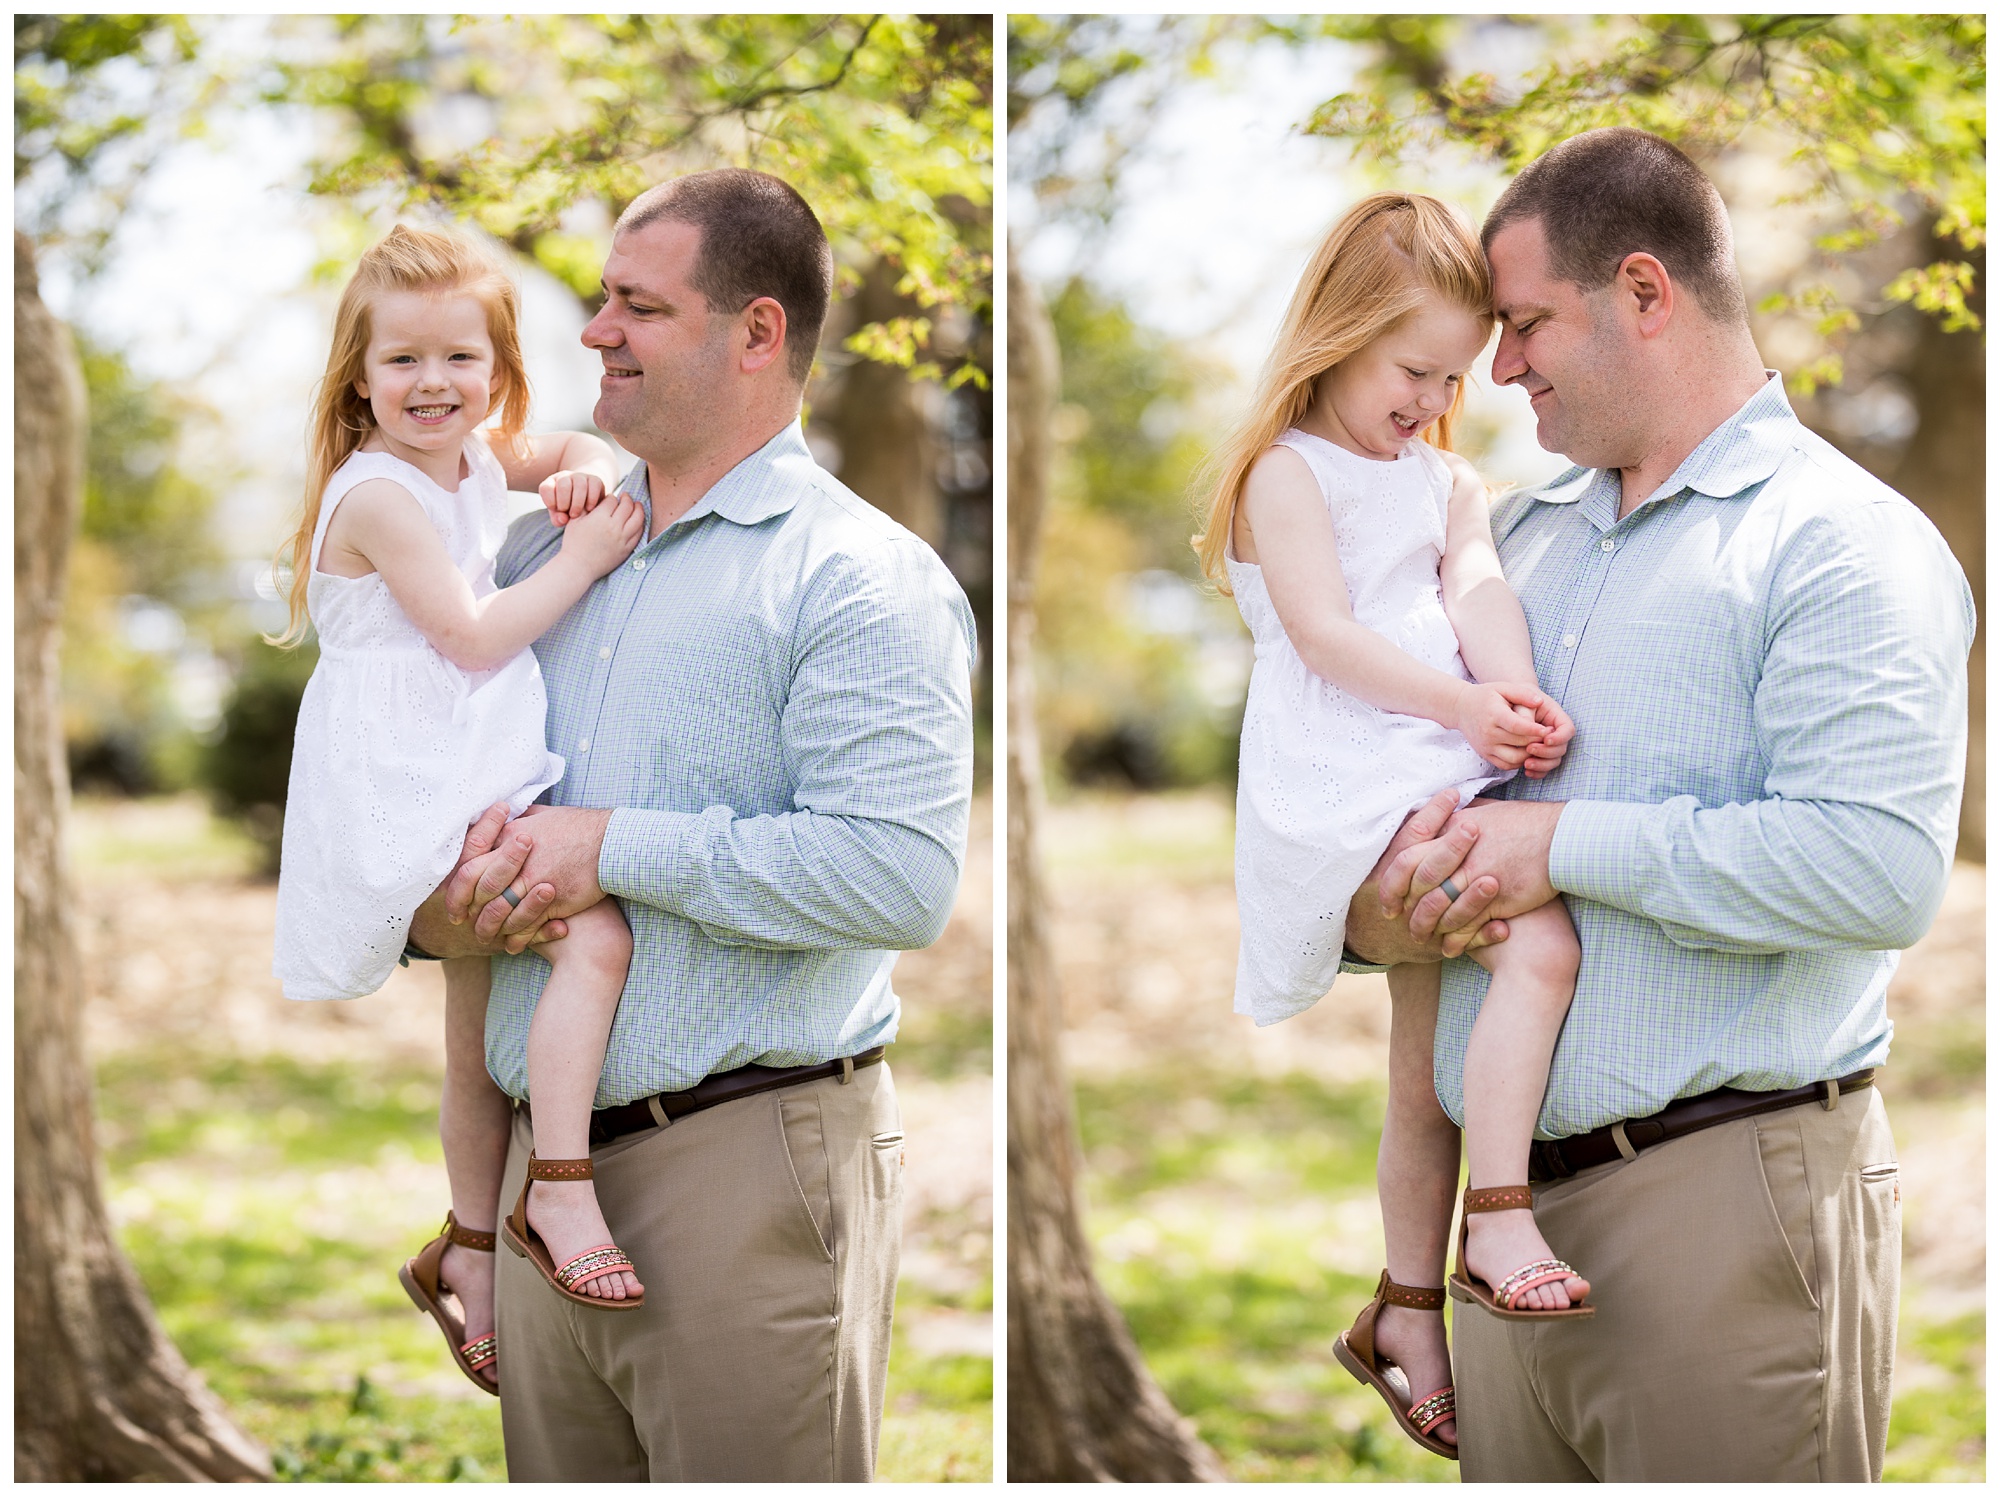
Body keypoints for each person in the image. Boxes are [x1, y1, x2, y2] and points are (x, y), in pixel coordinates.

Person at [1343, 127, 1973, 1481]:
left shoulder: (1840, 544)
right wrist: (1379, 908)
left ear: (1644, 292)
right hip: (1495, 1233)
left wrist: (1557, 841)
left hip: (1726, 1205)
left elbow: (1875, 871)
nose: (1498, 369)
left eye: (1524, 326)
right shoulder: (1511, 545)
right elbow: (1390, 804)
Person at [401, 167, 977, 1481]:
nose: (595, 330)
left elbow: (898, 876)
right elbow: (439, 822)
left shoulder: (860, 581)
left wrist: (607, 845)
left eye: (638, 306)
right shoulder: (528, 566)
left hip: (746, 1161)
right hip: (532, 1186)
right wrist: (442, 909)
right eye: (603, 300)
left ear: (757, 333)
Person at [1196, 192, 1594, 1461]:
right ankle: (1501, 1219)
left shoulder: (1446, 480)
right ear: (1337, 336)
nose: (1430, 397)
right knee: (1536, 951)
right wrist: (1464, 711)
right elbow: (1326, 636)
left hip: (1437, 751)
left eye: (1451, 375)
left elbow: (1474, 589)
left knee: (1425, 1071)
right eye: (1410, 369)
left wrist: (1514, 691)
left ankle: (1404, 1309)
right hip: (1343, 772)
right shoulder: (1284, 473)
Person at [272, 224, 655, 1397]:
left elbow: (575, 441)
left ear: (496, 369)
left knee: (475, 1044)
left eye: (460, 359)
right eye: (401, 363)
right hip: (404, 787)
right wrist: (584, 552)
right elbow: (475, 635)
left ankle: (470, 1256)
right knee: (593, 938)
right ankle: (560, 1192)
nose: (432, 385)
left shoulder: (475, 458)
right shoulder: (379, 493)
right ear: (358, 377)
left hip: (463, 770)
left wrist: (581, 464)